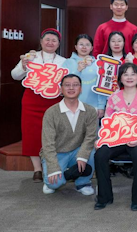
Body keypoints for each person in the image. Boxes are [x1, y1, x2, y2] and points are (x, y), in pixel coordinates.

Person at [94, 63, 137, 211]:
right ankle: (104, 197)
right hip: (117, 138)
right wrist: (101, 140)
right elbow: (107, 122)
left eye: (133, 74)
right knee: (100, 154)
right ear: (120, 78)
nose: (129, 77)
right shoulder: (113, 97)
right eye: (125, 74)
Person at [11, 28, 67, 182]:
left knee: (54, 134)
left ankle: (51, 165)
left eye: (54, 40)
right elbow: (15, 75)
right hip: (32, 100)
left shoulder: (64, 61)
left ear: (58, 44)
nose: (50, 43)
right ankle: (37, 169)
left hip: (54, 100)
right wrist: (23, 66)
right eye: (47, 39)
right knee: (32, 133)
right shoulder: (30, 57)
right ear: (41, 41)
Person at [40, 74, 97, 196]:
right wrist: (53, 167)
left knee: (92, 151)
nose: (71, 88)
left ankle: (83, 183)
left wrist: (82, 156)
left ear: (81, 89)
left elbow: (90, 137)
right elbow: (47, 143)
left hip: (77, 151)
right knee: (54, 184)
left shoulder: (90, 111)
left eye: (75, 85)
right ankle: (65, 174)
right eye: (67, 85)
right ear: (61, 89)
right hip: (57, 152)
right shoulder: (51, 112)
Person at [62, 34, 106, 118]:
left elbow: (102, 86)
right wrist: (78, 70)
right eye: (81, 44)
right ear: (76, 46)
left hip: (93, 106)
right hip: (71, 105)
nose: (84, 47)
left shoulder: (98, 64)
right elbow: (65, 84)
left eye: (87, 45)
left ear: (92, 48)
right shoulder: (67, 62)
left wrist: (101, 106)